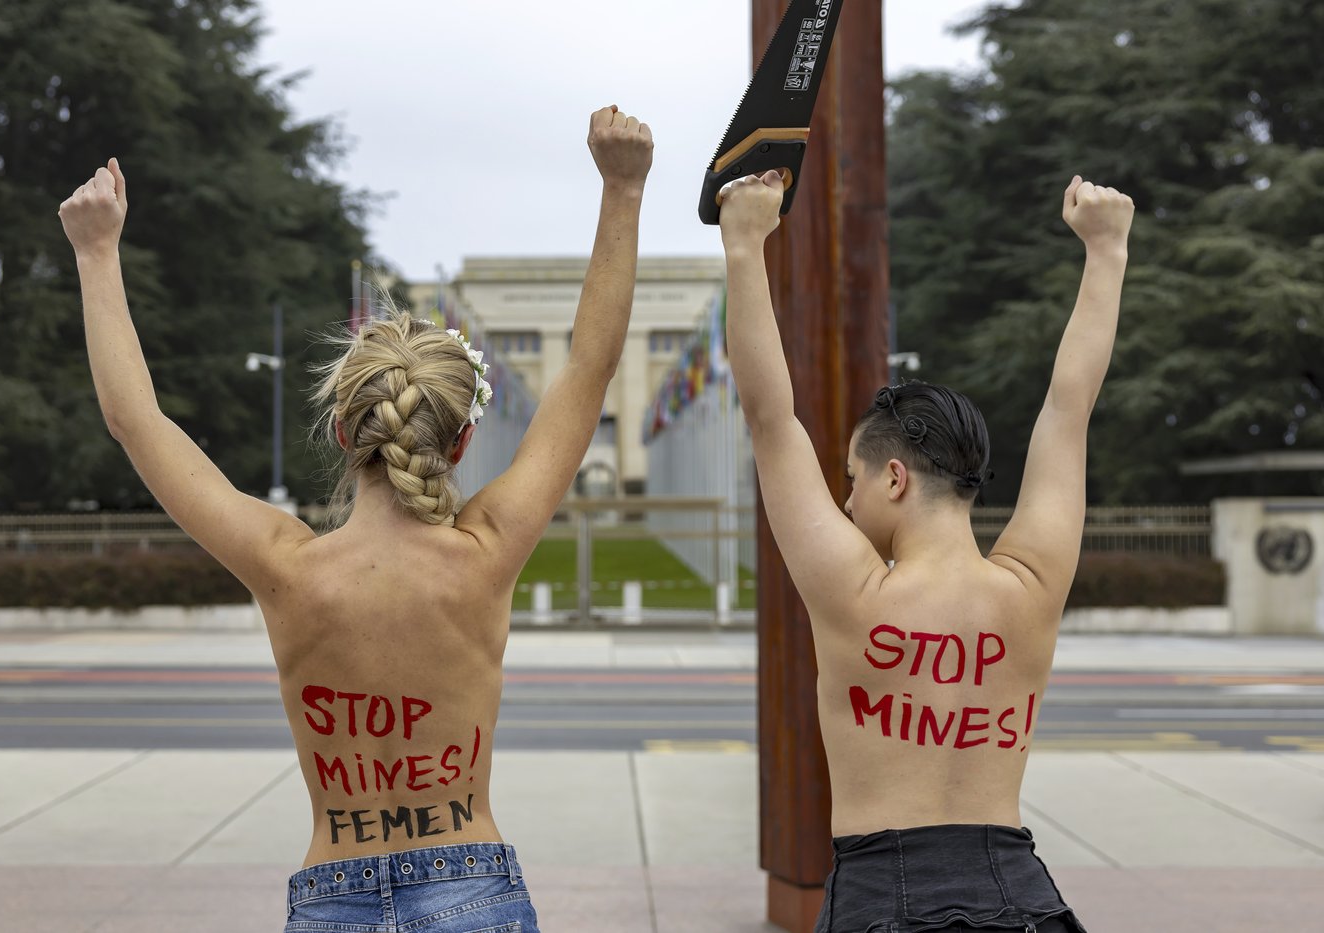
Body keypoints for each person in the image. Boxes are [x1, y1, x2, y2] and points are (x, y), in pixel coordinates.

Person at [58, 104, 653, 933]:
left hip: (333, 893)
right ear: (464, 436)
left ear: (343, 432)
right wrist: (623, 190)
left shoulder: (287, 565)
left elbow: (136, 421)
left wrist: (95, 252)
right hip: (470, 887)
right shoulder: (484, 553)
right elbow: (589, 370)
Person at [719, 169, 1133, 933]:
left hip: (884, 893)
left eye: (853, 477)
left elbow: (769, 416)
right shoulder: (1030, 586)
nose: (845, 500)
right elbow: (1069, 408)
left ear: (896, 476)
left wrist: (744, 243)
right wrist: (1107, 249)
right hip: (1021, 893)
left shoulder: (856, 593)